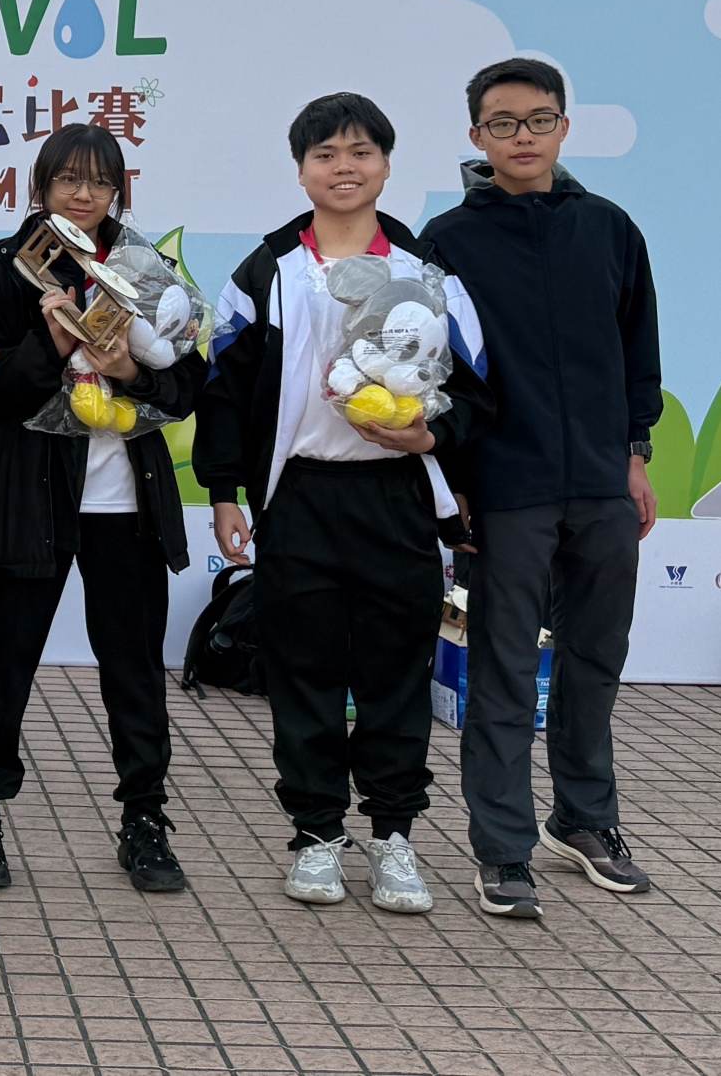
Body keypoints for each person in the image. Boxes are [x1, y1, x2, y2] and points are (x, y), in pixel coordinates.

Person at [195, 92, 490, 914]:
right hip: (300, 500)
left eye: (360, 152)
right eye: (324, 154)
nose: (343, 167)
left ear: (386, 165)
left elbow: (476, 386)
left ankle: (394, 836)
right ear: (300, 170)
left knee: (396, 673)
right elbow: (224, 389)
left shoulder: (425, 270)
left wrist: (431, 441)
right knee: (305, 675)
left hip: (394, 497)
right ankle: (317, 835)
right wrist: (224, 490)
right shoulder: (267, 270)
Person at [421, 57, 661, 919]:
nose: (521, 137)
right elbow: (441, 377)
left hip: (600, 482)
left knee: (595, 659)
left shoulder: (608, 227)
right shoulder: (447, 241)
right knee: (503, 671)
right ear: (474, 135)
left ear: (564, 125)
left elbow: (637, 350)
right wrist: (459, 492)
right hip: (506, 487)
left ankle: (585, 821)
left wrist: (632, 454)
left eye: (537, 120)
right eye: (501, 123)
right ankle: (502, 848)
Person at [0, 124, 203, 895]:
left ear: (117, 189)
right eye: (66, 180)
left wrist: (128, 368)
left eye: (97, 180)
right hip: (29, 494)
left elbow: (186, 386)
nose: (82, 194)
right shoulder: (1, 267)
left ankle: (144, 821)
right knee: (4, 662)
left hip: (126, 498)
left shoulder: (148, 270)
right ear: (40, 186)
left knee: (134, 671)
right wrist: (54, 344)